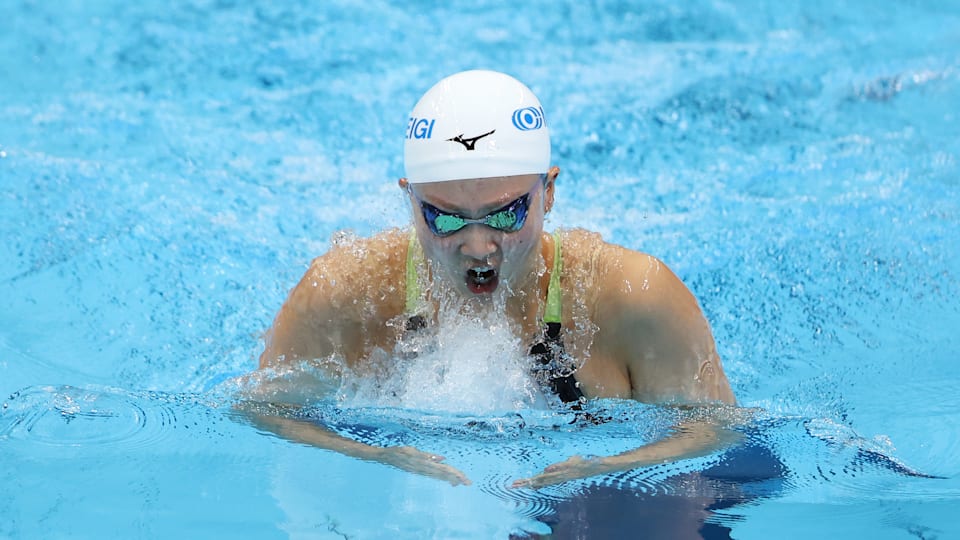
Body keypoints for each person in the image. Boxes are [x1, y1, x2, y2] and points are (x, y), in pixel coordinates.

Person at [247, 70, 738, 488]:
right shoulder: (343, 293)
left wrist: (608, 472)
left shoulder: (635, 298)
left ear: (547, 192)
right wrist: (374, 461)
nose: (478, 246)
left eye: (506, 215)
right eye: (445, 218)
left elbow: (716, 435)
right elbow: (264, 411)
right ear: (409, 200)